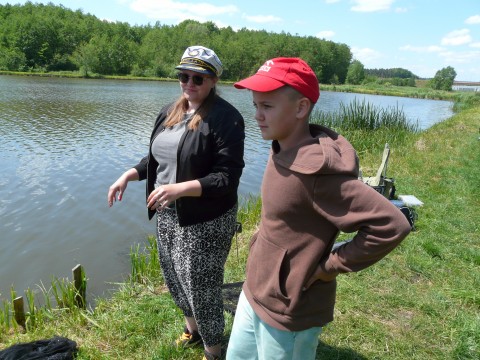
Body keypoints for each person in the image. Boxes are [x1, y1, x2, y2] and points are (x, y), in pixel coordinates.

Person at [226, 57, 411, 360]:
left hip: (291, 310)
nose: (257, 115)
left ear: (300, 108)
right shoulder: (282, 147)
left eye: (267, 106)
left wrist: (329, 268)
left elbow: (392, 225)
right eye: (255, 104)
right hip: (255, 292)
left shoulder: (319, 172)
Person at [107, 45, 245, 360]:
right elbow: (158, 158)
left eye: (198, 78)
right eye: (183, 76)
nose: (189, 84)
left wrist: (180, 189)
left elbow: (226, 178)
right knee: (174, 277)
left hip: (206, 218)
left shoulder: (227, 118)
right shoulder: (171, 111)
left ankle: (214, 351)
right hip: (168, 212)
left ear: (212, 81)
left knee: (202, 287)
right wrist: (128, 175)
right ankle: (193, 332)